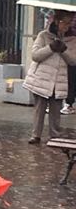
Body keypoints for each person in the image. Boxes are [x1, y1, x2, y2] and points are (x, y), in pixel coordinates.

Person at [23, 9, 76, 144]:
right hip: (42, 78)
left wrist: (63, 49)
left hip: (59, 80)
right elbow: (35, 55)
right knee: (39, 108)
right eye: (65, 23)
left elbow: (73, 61)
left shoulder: (72, 40)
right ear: (57, 21)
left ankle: (55, 134)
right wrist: (51, 47)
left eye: (70, 23)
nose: (67, 26)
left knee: (56, 110)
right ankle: (36, 135)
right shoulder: (43, 36)